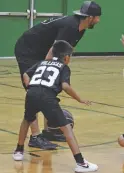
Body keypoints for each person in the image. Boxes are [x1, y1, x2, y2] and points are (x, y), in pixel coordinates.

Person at [14, 1, 102, 147]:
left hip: (40, 51)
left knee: (49, 87)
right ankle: (35, 137)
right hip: (27, 50)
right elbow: (53, 52)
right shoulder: (70, 27)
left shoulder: (81, 28)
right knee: (35, 89)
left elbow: (66, 51)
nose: (98, 21)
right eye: (98, 17)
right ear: (90, 17)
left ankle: (49, 131)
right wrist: (52, 70)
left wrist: (61, 72)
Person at [13, 40, 98, 172]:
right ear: (66, 57)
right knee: (67, 128)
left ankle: (18, 151)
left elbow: (25, 74)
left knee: (27, 120)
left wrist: (29, 86)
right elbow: (65, 86)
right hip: (47, 97)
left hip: (32, 94)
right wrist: (79, 99)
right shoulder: (64, 67)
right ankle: (81, 163)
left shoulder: (42, 62)